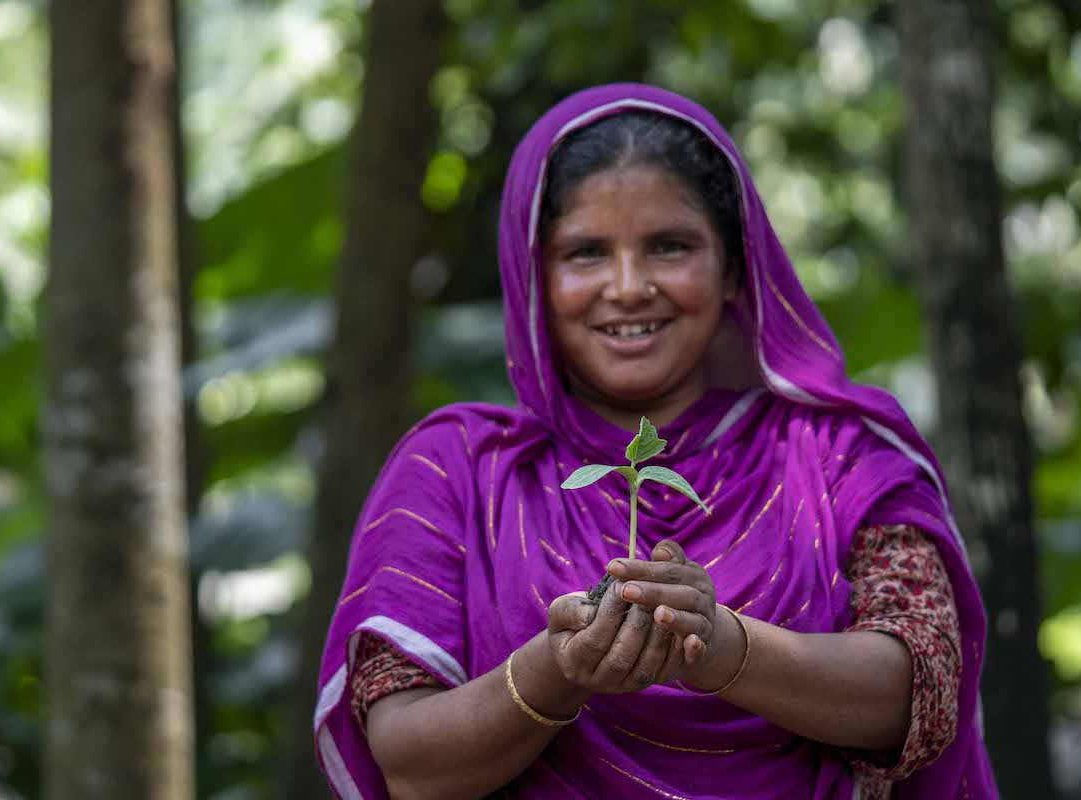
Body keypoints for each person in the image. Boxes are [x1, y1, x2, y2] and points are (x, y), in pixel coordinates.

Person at [313, 84, 997, 799]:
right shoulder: (457, 471)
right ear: (532, 276)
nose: (629, 287)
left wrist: (724, 646)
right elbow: (409, 768)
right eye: (585, 254)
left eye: (669, 247)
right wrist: (556, 669)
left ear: (734, 267)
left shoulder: (840, 455)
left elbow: (924, 690)